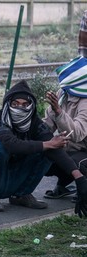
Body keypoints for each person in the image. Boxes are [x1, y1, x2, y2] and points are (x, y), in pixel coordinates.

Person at [0, 80, 87, 213]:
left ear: (31, 105)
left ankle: (22, 194)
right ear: (8, 104)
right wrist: (48, 144)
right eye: (15, 104)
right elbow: (11, 145)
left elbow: (55, 148)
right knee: (1, 147)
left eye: (25, 104)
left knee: (49, 150)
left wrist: (79, 177)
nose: (20, 108)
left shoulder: (34, 122)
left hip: (18, 168)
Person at [43, 56, 87, 199]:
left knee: (75, 161)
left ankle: (83, 188)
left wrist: (59, 112)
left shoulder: (85, 99)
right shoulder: (62, 94)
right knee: (41, 154)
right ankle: (63, 185)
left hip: (83, 149)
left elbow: (78, 133)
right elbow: (47, 125)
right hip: (71, 148)